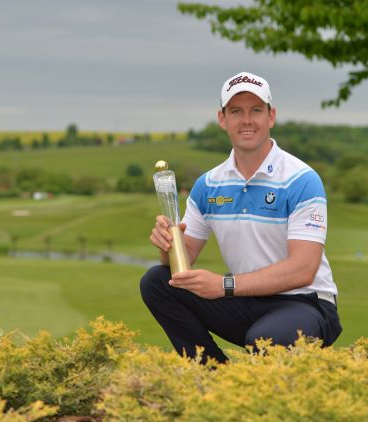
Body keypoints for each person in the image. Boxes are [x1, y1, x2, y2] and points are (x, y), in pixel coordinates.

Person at [141, 71, 342, 364]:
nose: (246, 120)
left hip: (306, 303)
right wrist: (167, 243)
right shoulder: (208, 185)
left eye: (256, 110)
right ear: (222, 119)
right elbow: (182, 263)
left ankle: (248, 381)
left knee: (266, 338)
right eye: (236, 111)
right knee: (157, 282)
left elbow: (303, 269)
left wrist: (224, 285)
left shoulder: (301, 179)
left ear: (271, 116)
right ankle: (211, 373)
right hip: (246, 301)